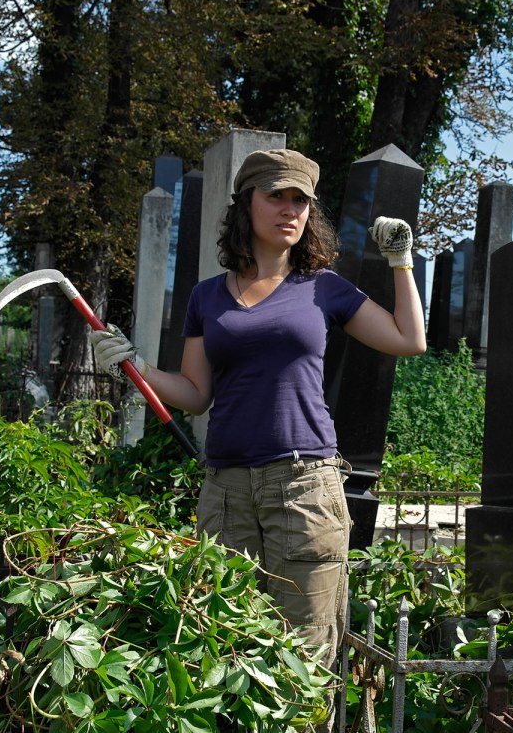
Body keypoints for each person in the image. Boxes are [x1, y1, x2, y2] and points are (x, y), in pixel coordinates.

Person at [90, 147, 426, 656]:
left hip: (304, 486)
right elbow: (196, 394)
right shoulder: (207, 297)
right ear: (248, 203)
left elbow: (408, 339)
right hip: (226, 491)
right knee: (226, 647)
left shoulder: (323, 288)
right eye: (277, 197)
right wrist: (133, 364)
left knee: (305, 653)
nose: (291, 209)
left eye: (301, 200)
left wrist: (401, 262)